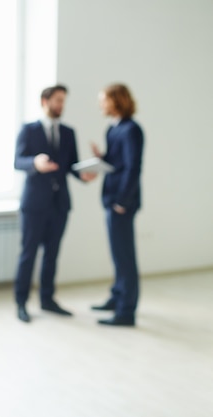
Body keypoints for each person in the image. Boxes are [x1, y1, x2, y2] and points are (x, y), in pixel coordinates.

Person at [13, 85, 96, 323]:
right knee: (28, 254)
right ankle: (21, 303)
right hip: (34, 205)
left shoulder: (69, 132)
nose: (61, 105)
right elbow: (17, 161)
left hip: (60, 205)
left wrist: (85, 175)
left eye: (63, 101)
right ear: (45, 101)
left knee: (52, 255)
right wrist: (35, 163)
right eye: (58, 100)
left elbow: (71, 165)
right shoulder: (28, 130)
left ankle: (48, 300)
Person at [91, 83, 144, 327]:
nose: (101, 104)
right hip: (111, 199)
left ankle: (126, 311)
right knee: (117, 254)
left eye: (104, 100)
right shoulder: (114, 129)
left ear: (116, 100)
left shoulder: (132, 129)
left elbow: (133, 168)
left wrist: (123, 201)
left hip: (122, 202)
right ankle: (117, 297)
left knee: (125, 256)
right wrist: (101, 159)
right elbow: (118, 162)